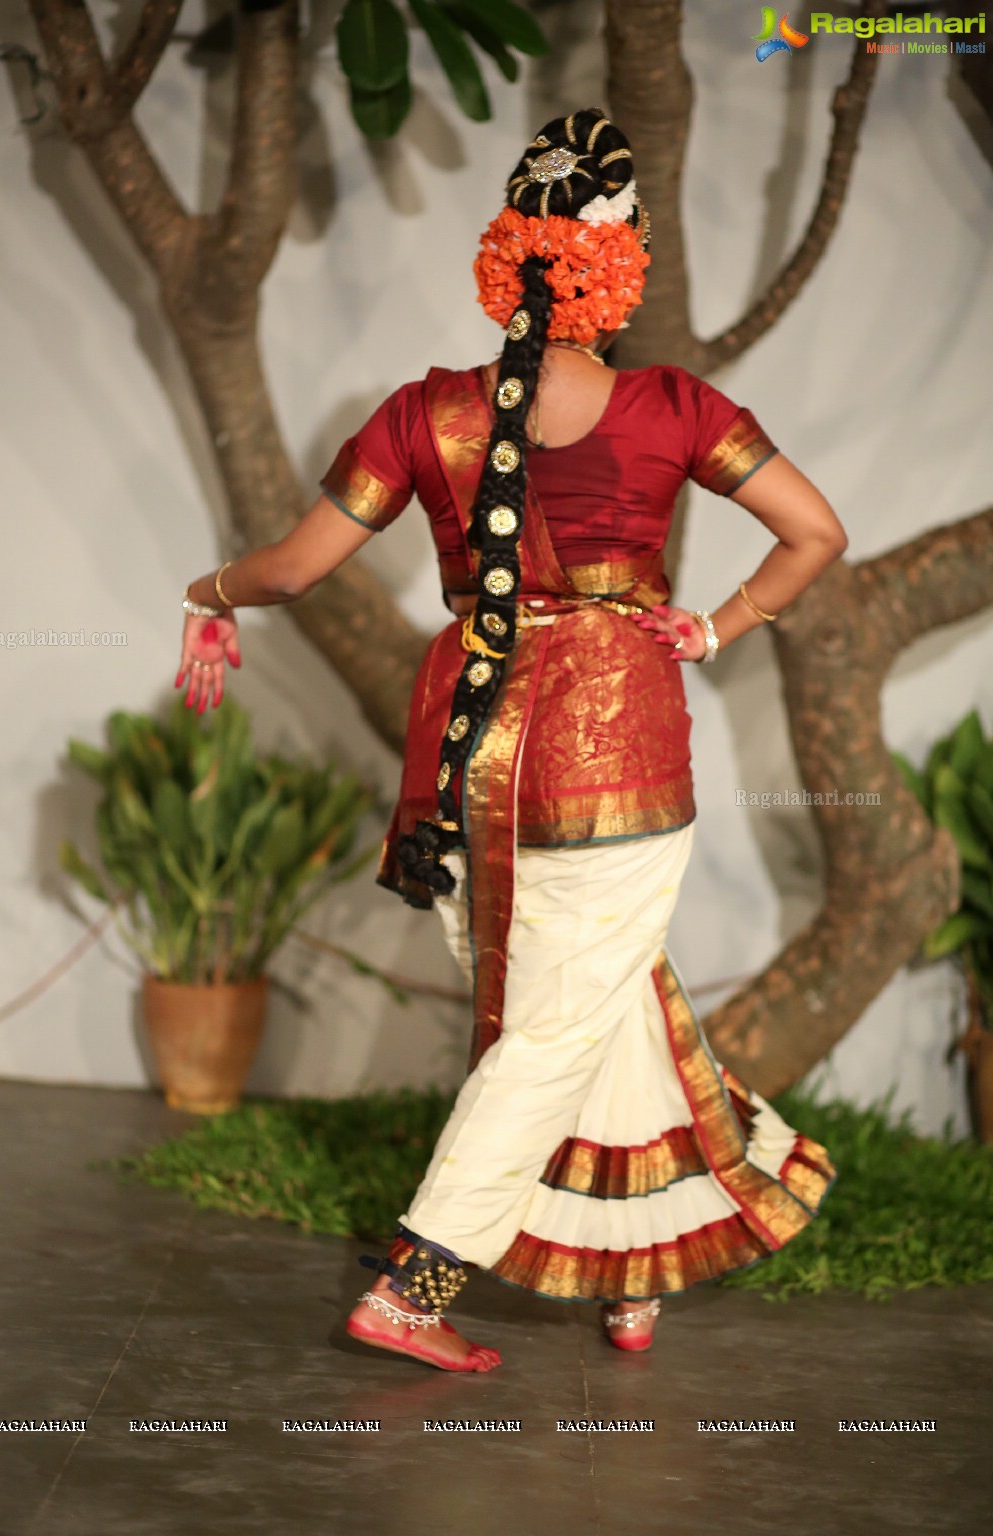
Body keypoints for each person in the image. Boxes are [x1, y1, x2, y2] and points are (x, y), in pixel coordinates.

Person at [178, 109, 847, 1376]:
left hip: (462, 759)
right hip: (618, 751)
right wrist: (716, 625)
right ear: (620, 263)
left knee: (588, 1001)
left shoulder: (421, 415)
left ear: (505, 259)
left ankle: (630, 1260)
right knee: (558, 1022)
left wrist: (209, 593)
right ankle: (415, 1287)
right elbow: (816, 531)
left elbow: (294, 569)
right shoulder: (671, 404)